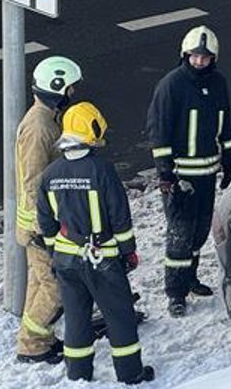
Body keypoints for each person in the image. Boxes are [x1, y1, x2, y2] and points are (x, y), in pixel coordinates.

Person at [36, 102, 154, 385]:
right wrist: (128, 252)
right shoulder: (101, 169)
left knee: (77, 319)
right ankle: (131, 374)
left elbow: (46, 222)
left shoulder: (49, 174)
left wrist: (54, 253)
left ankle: (78, 373)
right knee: (120, 316)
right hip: (102, 259)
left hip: (66, 259)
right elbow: (119, 216)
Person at [146, 25, 231, 318]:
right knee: (180, 236)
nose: (199, 61)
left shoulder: (219, 84)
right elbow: (158, 131)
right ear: (185, 54)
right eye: (195, 56)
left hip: (207, 175)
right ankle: (175, 293)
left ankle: (190, 279)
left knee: (199, 232)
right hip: (180, 177)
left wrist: (227, 163)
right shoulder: (171, 86)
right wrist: (165, 173)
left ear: (214, 58)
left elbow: (225, 126)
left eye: (205, 57)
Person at [15, 55, 82, 364]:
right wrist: (45, 228)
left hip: (36, 225)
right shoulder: (40, 127)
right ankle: (33, 343)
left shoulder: (46, 119)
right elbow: (33, 181)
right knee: (54, 288)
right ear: (56, 88)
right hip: (39, 227)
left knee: (39, 285)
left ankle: (34, 342)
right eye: (69, 88)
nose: (72, 93)